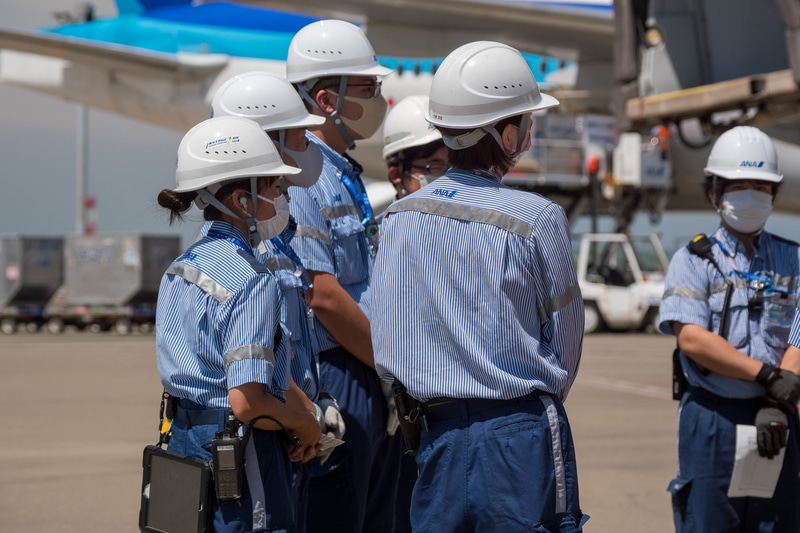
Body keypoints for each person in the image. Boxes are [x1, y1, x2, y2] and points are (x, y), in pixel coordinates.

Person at [372, 41, 586, 532]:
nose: (529, 135)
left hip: (435, 435)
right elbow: (565, 347)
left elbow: (386, 345)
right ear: (507, 135)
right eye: (526, 123)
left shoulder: (398, 220)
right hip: (520, 436)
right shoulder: (539, 219)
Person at [156, 115, 322, 532]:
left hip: (184, 441)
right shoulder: (252, 279)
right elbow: (247, 401)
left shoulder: (181, 267)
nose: (280, 198)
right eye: (272, 187)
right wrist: (304, 424)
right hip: (241, 451)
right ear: (241, 201)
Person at [210, 71, 347, 533]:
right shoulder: (246, 260)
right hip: (267, 437)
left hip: (290, 430)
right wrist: (306, 415)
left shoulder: (271, 238)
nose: (307, 142)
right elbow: (256, 372)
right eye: (296, 133)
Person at [284, 19, 402, 533]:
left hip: (362, 361)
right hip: (340, 366)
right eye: (370, 88)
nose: (381, 98)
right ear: (328, 98)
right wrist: (391, 367)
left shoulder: (339, 170)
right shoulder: (306, 174)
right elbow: (323, 295)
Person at [659, 125, 800, 532]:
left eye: (761, 185)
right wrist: (766, 375)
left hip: (778, 413)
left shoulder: (793, 259)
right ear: (714, 192)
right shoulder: (693, 259)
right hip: (713, 417)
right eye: (738, 185)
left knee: (780, 522)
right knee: (708, 522)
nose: (751, 194)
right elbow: (691, 338)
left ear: (775, 193)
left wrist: (780, 397)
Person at [379, 93, 447, 533]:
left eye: (448, 166)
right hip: (399, 408)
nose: (440, 179)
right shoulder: (385, 232)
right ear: (397, 174)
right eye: (430, 169)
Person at [382, 94, 448, 199]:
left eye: (453, 166)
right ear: (396, 174)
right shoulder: (386, 216)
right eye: (436, 167)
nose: (449, 176)